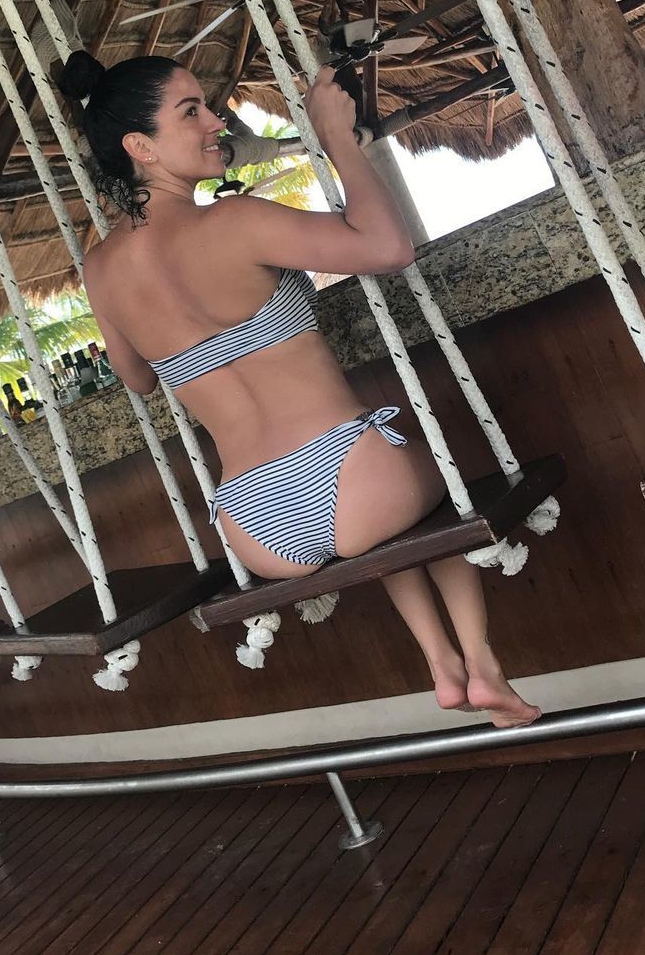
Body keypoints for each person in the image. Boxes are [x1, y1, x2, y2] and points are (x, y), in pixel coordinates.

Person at [69, 50, 540, 729]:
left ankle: (441, 666)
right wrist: (338, 139)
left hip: (252, 521)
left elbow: (139, 379)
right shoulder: (231, 222)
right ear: (140, 147)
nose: (216, 121)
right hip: (354, 477)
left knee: (374, 521)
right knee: (429, 478)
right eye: (191, 111)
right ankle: (481, 663)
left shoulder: (100, 269)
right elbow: (387, 247)